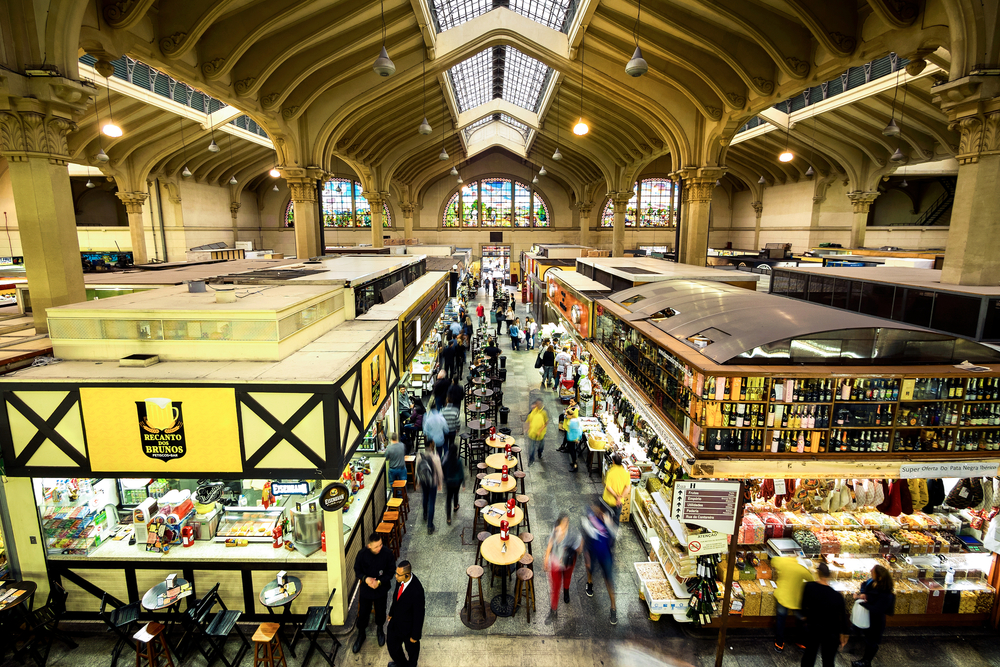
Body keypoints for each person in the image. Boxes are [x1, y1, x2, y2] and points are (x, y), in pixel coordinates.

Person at [352, 534, 396, 653]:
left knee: (381, 610)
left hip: (381, 588)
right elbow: (357, 570)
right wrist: (366, 579)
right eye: (376, 546)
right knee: (363, 612)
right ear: (369, 546)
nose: (379, 548)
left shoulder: (386, 553)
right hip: (366, 588)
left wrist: (380, 582)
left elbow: (391, 570)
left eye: (381, 545)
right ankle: (361, 634)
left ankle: (380, 630)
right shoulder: (362, 554)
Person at [800, 562, 849, 667]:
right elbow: (843, 617)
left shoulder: (809, 587)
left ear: (818, 573)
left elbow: (803, 605)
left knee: (809, 656)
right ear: (829, 575)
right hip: (831, 632)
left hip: (813, 628)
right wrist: (844, 634)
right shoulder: (837, 596)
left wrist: (805, 619)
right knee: (828, 660)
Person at [581, 502, 618, 625]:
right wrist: (585, 553)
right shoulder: (588, 521)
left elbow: (615, 535)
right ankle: (589, 582)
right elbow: (585, 538)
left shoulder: (607, 520)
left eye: (599, 511)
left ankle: (613, 607)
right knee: (590, 568)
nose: (598, 513)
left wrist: (611, 525)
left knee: (609, 579)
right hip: (592, 552)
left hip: (605, 554)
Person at [852, 565, 895, 667]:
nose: (871, 574)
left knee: (872, 642)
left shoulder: (886, 595)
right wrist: (863, 593)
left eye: (873, 573)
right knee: (867, 638)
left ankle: (866, 661)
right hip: (867, 617)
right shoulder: (873, 581)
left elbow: (877, 610)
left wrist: (860, 600)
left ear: (879, 577)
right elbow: (863, 584)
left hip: (876, 621)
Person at [544, 513, 583, 624]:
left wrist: (575, 551)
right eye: (562, 524)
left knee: (567, 578)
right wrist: (546, 558)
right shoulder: (555, 530)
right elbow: (551, 542)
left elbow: (579, 545)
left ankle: (566, 591)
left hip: (568, 562)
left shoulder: (572, 533)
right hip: (556, 563)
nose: (564, 527)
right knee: (555, 587)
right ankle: (553, 610)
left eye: (566, 524)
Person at [387, 561, 425, 667]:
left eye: (398, 575)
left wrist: (415, 635)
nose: (396, 576)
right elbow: (396, 596)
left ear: (407, 575)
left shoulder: (417, 591)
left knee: (412, 651)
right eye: (396, 573)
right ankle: (402, 664)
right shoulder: (401, 580)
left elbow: (419, 614)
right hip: (396, 621)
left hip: (409, 628)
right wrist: (391, 612)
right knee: (392, 646)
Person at [771, 556, 813, 652]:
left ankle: (779, 644)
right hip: (796, 600)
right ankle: (801, 642)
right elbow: (812, 580)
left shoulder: (784, 562)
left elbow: (774, 560)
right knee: (801, 620)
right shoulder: (802, 569)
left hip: (782, 597)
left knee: (781, 620)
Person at [416, 441, 444, 534]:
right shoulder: (435, 457)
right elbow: (439, 472)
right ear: (433, 447)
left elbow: (417, 469)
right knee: (431, 502)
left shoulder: (420, 456)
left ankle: (424, 514)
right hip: (433, 482)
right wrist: (440, 483)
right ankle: (429, 526)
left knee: (425, 497)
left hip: (424, 481)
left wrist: (418, 481)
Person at [602, 452, 631, 522]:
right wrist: (620, 498)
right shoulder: (626, 473)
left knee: (606, 520)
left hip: (608, 501)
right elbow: (628, 487)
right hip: (619, 503)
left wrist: (616, 496)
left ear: (613, 461)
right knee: (616, 520)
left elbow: (608, 487)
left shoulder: (610, 472)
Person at [442, 445, 466, 525]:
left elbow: (443, 470)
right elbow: (461, 473)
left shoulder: (446, 460)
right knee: (456, 494)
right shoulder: (458, 461)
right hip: (457, 482)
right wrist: (463, 483)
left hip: (449, 482)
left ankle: (448, 518)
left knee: (448, 499)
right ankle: (455, 506)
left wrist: (444, 480)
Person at [524, 399, 549, 465]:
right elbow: (529, 420)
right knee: (531, 447)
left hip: (541, 433)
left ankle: (540, 452)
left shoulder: (544, 412)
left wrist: (540, 430)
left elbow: (546, 422)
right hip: (532, 432)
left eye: (538, 404)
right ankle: (531, 459)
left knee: (541, 445)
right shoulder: (533, 411)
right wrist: (527, 428)